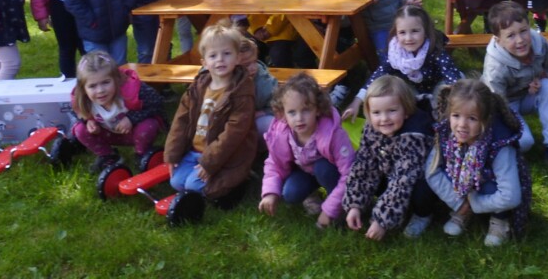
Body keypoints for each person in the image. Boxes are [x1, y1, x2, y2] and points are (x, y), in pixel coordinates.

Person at [425, 79, 532, 246]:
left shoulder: (500, 144)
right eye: (456, 115)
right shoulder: (446, 132)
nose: (462, 125)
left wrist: (475, 204)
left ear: (486, 119)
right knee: (449, 168)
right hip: (465, 189)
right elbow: (431, 171)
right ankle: (463, 212)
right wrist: (458, 203)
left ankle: (500, 219)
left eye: (472, 118)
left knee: (490, 184)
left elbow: (511, 196)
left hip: (492, 188)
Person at [481, 1, 548, 173]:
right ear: (499, 40)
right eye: (510, 36)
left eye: (523, 31)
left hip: (528, 95)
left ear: (529, 27)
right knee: (525, 142)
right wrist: (511, 123)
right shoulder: (495, 67)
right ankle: (494, 148)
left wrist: (541, 77)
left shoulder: (539, 43)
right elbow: (497, 105)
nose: (520, 40)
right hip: (504, 104)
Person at [165, 20, 258, 206]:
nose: (220, 60)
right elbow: (181, 120)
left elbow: (233, 134)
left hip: (227, 155)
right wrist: (172, 154)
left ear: (237, 58)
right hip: (195, 151)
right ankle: (201, 178)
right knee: (176, 182)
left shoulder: (241, 92)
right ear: (205, 63)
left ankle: (239, 182)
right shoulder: (198, 87)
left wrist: (209, 163)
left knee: (193, 186)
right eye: (213, 55)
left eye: (227, 54)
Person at [343, 75, 438, 240]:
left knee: (422, 191)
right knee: (368, 167)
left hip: (418, 176)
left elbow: (403, 180)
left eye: (392, 111)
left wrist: (382, 220)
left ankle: (423, 214)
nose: (384, 118)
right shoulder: (372, 128)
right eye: (376, 112)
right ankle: (387, 206)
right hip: (391, 170)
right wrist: (354, 205)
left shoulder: (414, 135)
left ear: (406, 110)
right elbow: (364, 167)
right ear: (368, 113)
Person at [259, 73, 356, 228]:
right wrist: (270, 192)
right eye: (292, 112)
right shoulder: (281, 133)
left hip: (330, 172)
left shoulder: (332, 133)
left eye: (306, 110)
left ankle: (343, 206)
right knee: (290, 193)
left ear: (317, 109)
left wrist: (329, 210)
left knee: (322, 168)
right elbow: (274, 164)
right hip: (305, 172)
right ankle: (311, 194)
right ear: (283, 113)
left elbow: (350, 172)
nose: (299, 118)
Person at [342, 6, 463, 122]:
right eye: (402, 32)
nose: (408, 38)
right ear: (396, 33)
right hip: (412, 90)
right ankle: (415, 119)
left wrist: (456, 97)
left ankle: (441, 123)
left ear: (425, 31)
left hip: (437, 85)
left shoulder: (435, 48)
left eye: (415, 31)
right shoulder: (395, 54)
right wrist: (356, 102)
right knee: (398, 94)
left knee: (448, 98)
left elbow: (451, 75)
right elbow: (378, 75)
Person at [71, 50, 167, 172]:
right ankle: (108, 156)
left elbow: (157, 103)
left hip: (134, 133)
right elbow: (76, 113)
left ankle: (141, 154)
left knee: (149, 125)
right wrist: (88, 121)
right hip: (107, 134)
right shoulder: (83, 100)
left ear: (116, 79)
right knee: (79, 129)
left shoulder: (132, 91)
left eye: (106, 82)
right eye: (92, 86)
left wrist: (131, 118)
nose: (100, 90)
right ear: (83, 88)